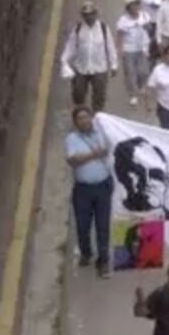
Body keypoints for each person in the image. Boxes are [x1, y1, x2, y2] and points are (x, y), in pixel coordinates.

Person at [65, 106, 113, 278]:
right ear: (75, 122)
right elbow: (73, 160)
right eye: (80, 118)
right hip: (83, 190)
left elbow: (110, 149)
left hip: (103, 186)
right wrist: (94, 154)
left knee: (102, 225)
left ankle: (103, 261)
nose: (84, 120)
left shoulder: (102, 134)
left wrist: (98, 152)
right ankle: (86, 252)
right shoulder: (72, 139)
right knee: (83, 225)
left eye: (87, 117)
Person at [61, 1, 119, 111]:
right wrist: (64, 61)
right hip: (81, 68)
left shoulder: (103, 28)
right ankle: (81, 115)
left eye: (91, 14)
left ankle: (97, 116)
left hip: (99, 69)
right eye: (86, 15)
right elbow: (71, 46)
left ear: (95, 14)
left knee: (99, 97)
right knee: (78, 94)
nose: (89, 17)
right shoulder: (78, 29)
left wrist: (114, 64)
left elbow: (110, 47)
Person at [116, 0, 154, 109]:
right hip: (129, 49)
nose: (135, 7)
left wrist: (147, 27)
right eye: (132, 5)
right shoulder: (123, 21)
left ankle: (142, 86)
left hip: (143, 48)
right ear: (128, 8)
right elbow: (120, 35)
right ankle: (133, 94)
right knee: (130, 73)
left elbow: (150, 29)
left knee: (143, 71)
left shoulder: (145, 16)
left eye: (137, 4)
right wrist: (120, 49)